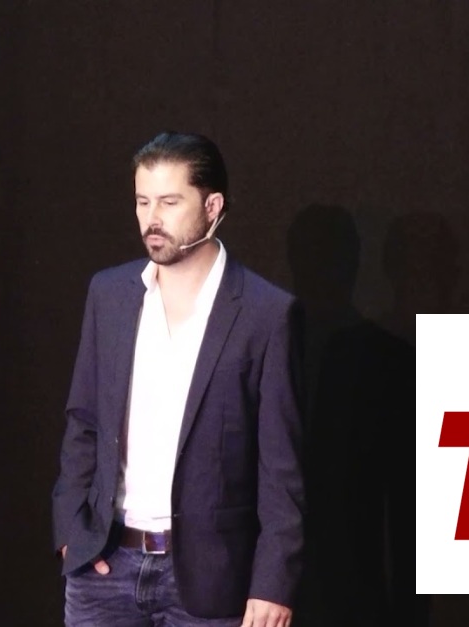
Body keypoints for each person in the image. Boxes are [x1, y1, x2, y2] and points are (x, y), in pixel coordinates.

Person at [52, 131, 305, 626]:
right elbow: (84, 420)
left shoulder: (266, 313)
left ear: (213, 206)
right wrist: (71, 531)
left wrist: (273, 582)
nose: (153, 218)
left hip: (211, 579)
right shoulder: (110, 293)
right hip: (105, 569)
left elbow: (281, 467)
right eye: (142, 201)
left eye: (169, 202)